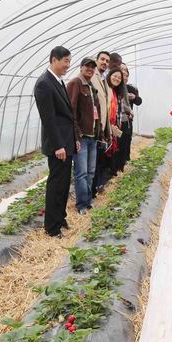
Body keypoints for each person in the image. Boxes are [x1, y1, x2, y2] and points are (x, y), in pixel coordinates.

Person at [34, 46, 76, 237]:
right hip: (58, 145)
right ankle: (51, 227)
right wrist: (58, 145)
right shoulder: (44, 84)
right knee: (56, 184)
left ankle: (60, 217)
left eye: (69, 61)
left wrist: (73, 140)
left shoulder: (57, 81)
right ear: (53, 60)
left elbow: (66, 116)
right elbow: (48, 119)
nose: (68, 65)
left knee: (64, 183)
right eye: (65, 61)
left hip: (66, 142)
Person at [66, 57, 101, 214]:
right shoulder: (75, 83)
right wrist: (76, 134)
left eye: (93, 67)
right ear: (81, 67)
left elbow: (95, 111)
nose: (90, 69)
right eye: (87, 66)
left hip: (92, 136)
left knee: (91, 171)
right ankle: (81, 205)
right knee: (81, 173)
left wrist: (99, 131)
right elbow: (71, 111)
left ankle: (87, 200)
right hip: (82, 137)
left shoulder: (91, 86)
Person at [91, 51, 112, 196]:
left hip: (101, 127)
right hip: (92, 127)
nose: (104, 62)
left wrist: (106, 130)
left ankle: (94, 189)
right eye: (102, 59)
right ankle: (89, 194)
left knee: (98, 161)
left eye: (107, 61)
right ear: (96, 60)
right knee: (90, 165)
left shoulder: (104, 79)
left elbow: (105, 106)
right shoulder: (92, 76)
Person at [121, 63, 141, 164]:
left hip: (128, 119)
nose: (125, 77)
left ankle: (125, 159)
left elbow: (139, 101)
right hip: (118, 120)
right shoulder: (115, 87)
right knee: (120, 141)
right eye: (123, 73)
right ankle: (120, 162)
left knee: (127, 138)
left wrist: (134, 97)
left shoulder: (131, 88)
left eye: (127, 75)